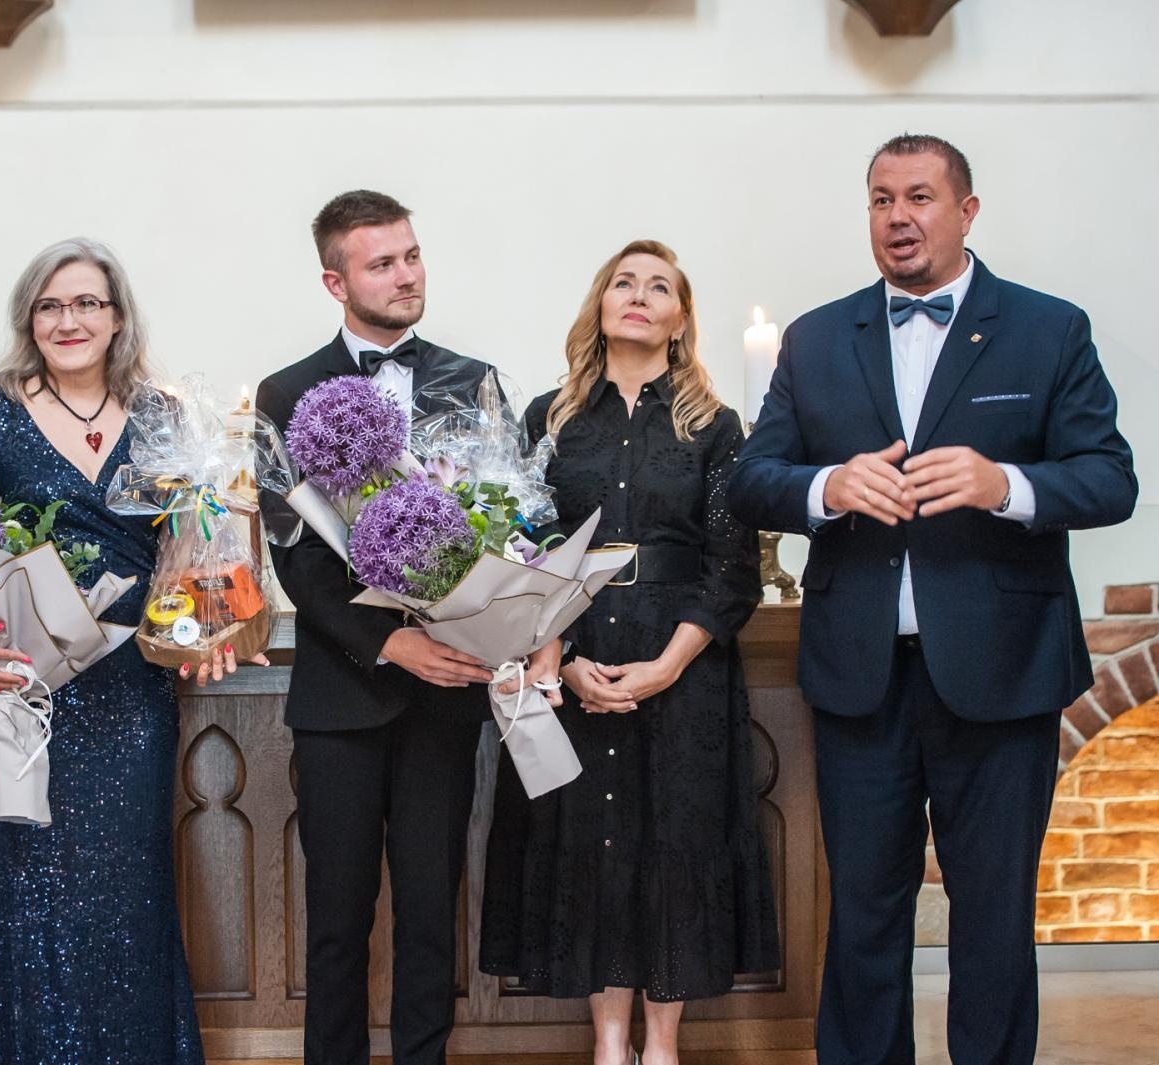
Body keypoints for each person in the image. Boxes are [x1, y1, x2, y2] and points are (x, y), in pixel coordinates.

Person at [729, 135, 1137, 1065]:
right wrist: (826, 488)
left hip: (1003, 673)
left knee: (994, 915)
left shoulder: (1049, 327)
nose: (898, 217)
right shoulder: (819, 336)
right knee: (864, 912)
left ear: (967, 210)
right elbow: (754, 479)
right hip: (860, 675)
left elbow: (1110, 480)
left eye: (918, 197)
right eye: (880, 200)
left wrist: (1008, 484)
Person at [480, 240, 779, 1065]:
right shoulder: (548, 418)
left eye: (659, 287)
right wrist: (561, 655)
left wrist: (668, 665)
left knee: (672, 846)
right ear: (600, 304)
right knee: (594, 845)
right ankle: (609, 1042)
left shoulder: (718, 428)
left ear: (681, 319)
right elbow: (517, 549)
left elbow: (732, 568)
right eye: (623, 282)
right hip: (569, 651)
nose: (639, 295)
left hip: (680, 657)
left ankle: (662, 1043)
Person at [0, 238, 203, 1065]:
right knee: (25, 886)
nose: (69, 319)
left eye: (87, 302)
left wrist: (201, 611)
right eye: (51, 305)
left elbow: (191, 544)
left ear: (118, 316)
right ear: (30, 318)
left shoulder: (162, 415)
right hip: (19, 679)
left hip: (130, 689)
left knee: (126, 891)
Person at [255, 190, 500, 1065]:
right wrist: (389, 640)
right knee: (338, 920)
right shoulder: (285, 392)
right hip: (341, 696)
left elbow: (499, 518)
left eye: (412, 255)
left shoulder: (471, 381)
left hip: (448, 696)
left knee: (433, 914)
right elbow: (294, 553)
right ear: (336, 279)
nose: (405, 275)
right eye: (381, 262)